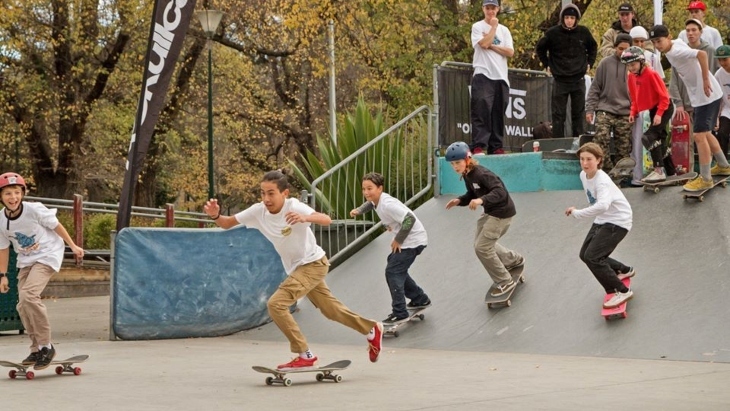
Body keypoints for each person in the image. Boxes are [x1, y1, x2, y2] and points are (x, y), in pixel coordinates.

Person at [203, 170, 383, 370]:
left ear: (285, 193)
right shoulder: (257, 211)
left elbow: (326, 219)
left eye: (271, 193)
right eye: (262, 193)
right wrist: (216, 215)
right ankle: (371, 329)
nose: (266, 199)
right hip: (298, 268)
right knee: (331, 310)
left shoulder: (294, 206)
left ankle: (304, 354)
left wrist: (305, 218)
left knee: (276, 304)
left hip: (313, 264)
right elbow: (227, 223)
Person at [0, 172, 84, 369]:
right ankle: (36, 348)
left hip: (48, 254)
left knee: (29, 295)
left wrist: (73, 245)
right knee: (22, 305)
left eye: (16, 192)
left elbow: (56, 226)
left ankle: (47, 346)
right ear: (1, 197)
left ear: (22, 193)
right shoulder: (1, 221)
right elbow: (3, 248)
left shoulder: (34, 209)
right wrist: (3, 275)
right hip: (26, 260)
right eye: (7, 194)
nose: (13, 198)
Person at [650, 25, 730, 191]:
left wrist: (705, 79)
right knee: (706, 134)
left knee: (699, 137)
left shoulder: (676, 51)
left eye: (659, 41)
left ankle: (705, 178)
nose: (657, 45)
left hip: (706, 96)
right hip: (703, 98)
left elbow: (701, 54)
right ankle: (723, 165)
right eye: (654, 42)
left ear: (668, 36)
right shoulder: (677, 43)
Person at [443, 142, 524, 298]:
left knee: (482, 248)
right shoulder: (467, 174)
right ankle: (513, 260)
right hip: (491, 212)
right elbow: (473, 193)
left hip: (501, 213)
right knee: (481, 243)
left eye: (457, 162)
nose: (455, 167)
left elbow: (500, 191)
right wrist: (460, 200)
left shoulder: (481, 173)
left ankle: (505, 281)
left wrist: (482, 201)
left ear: (467, 159)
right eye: (452, 164)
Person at [349, 172, 431, 324]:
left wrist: (398, 239)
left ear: (380, 188)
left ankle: (400, 312)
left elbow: (409, 218)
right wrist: (359, 210)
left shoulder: (388, 204)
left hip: (412, 241)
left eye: (370, 189)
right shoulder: (377, 199)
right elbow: (370, 203)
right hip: (409, 241)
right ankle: (420, 298)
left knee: (393, 271)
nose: (366, 192)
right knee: (396, 268)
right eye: (364, 189)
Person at [565, 143, 635, 309]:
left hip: (618, 221)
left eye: (589, 159)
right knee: (584, 255)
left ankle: (622, 291)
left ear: (598, 160)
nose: (585, 163)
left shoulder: (602, 180)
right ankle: (623, 269)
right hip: (603, 219)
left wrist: (578, 213)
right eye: (582, 159)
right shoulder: (583, 175)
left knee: (593, 257)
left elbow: (603, 205)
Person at [536, 3, 597, 138]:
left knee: (578, 114)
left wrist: (589, 64)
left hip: (578, 79)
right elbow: (540, 48)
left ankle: (578, 141)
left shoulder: (583, 32)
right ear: (563, 18)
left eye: (572, 18)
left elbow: (593, 47)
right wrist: (547, 64)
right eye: (567, 17)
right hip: (560, 79)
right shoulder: (552, 33)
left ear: (576, 19)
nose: (569, 20)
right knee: (558, 115)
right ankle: (558, 142)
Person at [622, 46, 677, 183]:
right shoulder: (631, 77)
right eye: (628, 65)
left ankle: (658, 170)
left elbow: (665, 97)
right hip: (652, 110)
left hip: (664, 108)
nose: (631, 68)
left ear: (641, 62)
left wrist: (659, 114)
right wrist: (632, 112)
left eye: (633, 64)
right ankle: (671, 172)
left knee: (648, 137)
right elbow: (634, 98)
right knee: (660, 141)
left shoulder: (652, 74)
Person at [469, 0, 514, 155]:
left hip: (501, 76)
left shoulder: (505, 30)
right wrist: (493, 27)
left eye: (493, 8)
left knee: (498, 111)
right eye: (487, 8)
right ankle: (479, 145)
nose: (490, 11)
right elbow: (483, 44)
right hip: (483, 73)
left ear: (498, 9)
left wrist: (493, 46)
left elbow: (510, 52)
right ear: (483, 9)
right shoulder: (477, 27)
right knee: (481, 108)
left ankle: (496, 146)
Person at [585, 33, 633, 173]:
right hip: (606, 108)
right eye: (620, 48)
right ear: (614, 47)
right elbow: (595, 88)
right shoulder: (605, 63)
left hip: (625, 111)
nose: (622, 52)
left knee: (623, 147)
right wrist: (590, 109)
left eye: (626, 49)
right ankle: (607, 170)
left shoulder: (634, 64)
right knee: (601, 138)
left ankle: (621, 174)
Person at [714, 45, 730, 160]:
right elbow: (717, 98)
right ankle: (723, 163)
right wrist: (716, 117)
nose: (722, 63)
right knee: (721, 133)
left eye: (725, 59)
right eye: (720, 60)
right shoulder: (718, 75)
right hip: (727, 110)